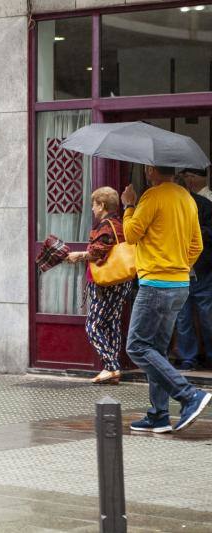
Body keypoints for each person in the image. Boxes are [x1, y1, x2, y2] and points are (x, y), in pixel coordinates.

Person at [121, 166, 211, 433]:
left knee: (136, 346)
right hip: (180, 283)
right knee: (157, 350)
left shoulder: (152, 196)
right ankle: (158, 414)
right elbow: (197, 244)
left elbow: (131, 234)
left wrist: (129, 206)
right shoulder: (186, 197)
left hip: (155, 284)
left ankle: (188, 395)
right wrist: (180, 266)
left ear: (150, 170)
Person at [66, 187, 133, 384]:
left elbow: (99, 251)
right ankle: (112, 370)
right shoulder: (120, 223)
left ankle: (111, 366)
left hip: (106, 284)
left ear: (102, 205)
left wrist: (79, 255)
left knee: (93, 325)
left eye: (94, 205)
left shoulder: (105, 226)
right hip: (121, 282)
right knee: (112, 325)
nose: (93, 209)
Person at [175, 168, 212, 370]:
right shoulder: (170, 209)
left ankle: (209, 355)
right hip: (179, 269)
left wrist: (193, 233)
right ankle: (188, 357)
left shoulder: (204, 205)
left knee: (207, 315)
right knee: (183, 316)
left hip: (202, 269)